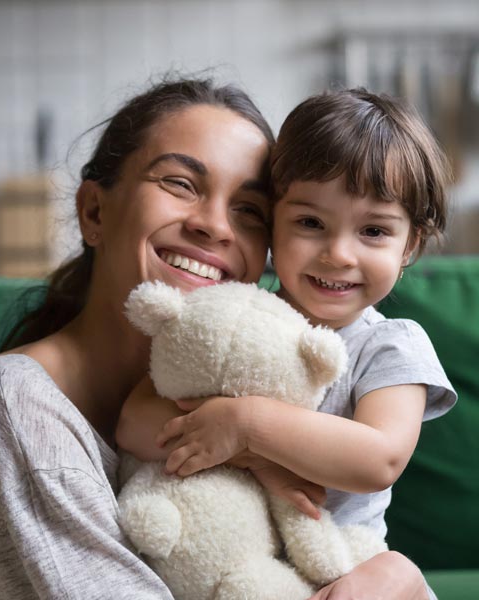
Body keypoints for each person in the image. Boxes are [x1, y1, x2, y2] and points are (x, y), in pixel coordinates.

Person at [0, 78, 433, 600]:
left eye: (248, 210)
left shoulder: (303, 351)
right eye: (180, 183)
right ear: (94, 210)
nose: (215, 226)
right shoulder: (8, 410)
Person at [117, 88, 457, 600]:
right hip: (245, 569)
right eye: (310, 223)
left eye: (373, 231)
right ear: (273, 221)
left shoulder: (390, 344)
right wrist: (250, 457)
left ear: (409, 243)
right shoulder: (235, 317)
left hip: (346, 567)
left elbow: (377, 459)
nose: (338, 254)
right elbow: (135, 421)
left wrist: (246, 425)